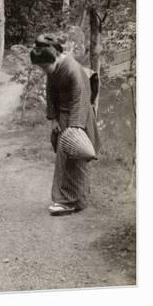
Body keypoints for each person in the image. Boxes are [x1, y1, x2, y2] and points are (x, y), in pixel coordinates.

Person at [30, 34, 100, 216]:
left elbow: (80, 99)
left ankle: (73, 201)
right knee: (64, 159)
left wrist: (75, 129)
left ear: (54, 57)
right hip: (62, 115)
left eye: (46, 66)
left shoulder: (73, 69)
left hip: (79, 117)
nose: (45, 70)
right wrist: (53, 118)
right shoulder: (53, 70)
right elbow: (51, 93)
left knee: (75, 158)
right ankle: (67, 199)